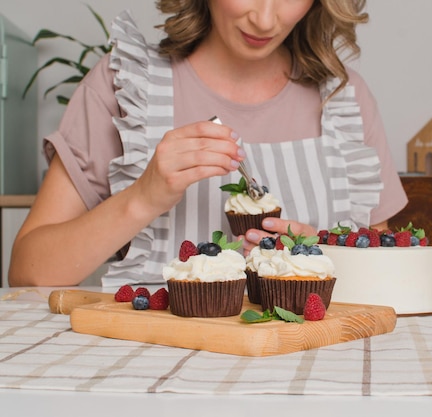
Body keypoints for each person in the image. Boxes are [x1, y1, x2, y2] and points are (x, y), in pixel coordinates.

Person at [8, 0, 408, 287]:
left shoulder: (344, 100)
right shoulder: (127, 87)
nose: (265, 18)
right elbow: (28, 272)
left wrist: (321, 255)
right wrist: (143, 197)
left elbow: (389, 281)